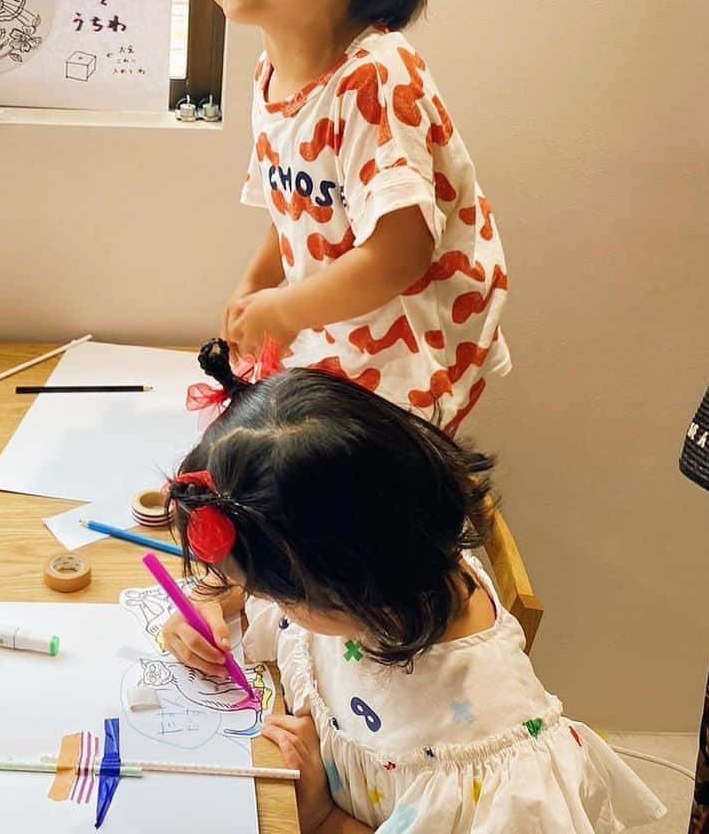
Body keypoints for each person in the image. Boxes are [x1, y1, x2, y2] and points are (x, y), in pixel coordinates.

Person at [163, 348, 665, 831]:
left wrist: (321, 818)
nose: (267, 602)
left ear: (346, 587)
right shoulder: (393, 548)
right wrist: (207, 597)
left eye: (275, 594)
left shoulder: (495, 762)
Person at [201, 0, 508, 431]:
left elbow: (400, 252)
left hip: (407, 352)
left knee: (360, 506)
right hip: (344, 330)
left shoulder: (375, 77)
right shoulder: (273, 76)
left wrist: (286, 309)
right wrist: (260, 283)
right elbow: (299, 212)